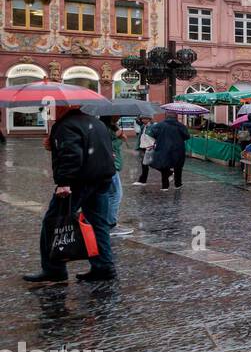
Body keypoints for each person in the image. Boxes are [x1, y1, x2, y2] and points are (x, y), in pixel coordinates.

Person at [24, 105, 117, 283]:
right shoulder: (96, 123)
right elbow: (99, 150)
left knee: (53, 222)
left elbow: (72, 155)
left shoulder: (66, 125)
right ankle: (103, 267)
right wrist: (55, 145)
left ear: (62, 107)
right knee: (99, 225)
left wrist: (64, 183)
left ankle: (54, 269)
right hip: (102, 180)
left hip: (78, 183)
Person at [99, 115, 133, 236]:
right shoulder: (105, 129)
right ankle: (110, 225)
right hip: (110, 166)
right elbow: (108, 146)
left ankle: (105, 223)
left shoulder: (111, 127)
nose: (119, 116)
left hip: (110, 165)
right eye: (117, 114)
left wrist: (119, 137)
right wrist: (119, 138)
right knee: (116, 195)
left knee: (109, 194)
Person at [147, 112, 190, 190]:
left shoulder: (159, 125)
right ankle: (178, 184)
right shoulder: (181, 125)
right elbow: (187, 136)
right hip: (178, 149)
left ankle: (165, 186)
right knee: (178, 167)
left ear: (166, 117)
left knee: (164, 166)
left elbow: (152, 134)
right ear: (176, 117)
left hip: (163, 148)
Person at [133, 115, 155, 186]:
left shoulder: (153, 127)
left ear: (149, 119)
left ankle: (168, 172)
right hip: (143, 147)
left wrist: (153, 145)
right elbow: (138, 122)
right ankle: (142, 181)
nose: (143, 120)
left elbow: (156, 137)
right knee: (144, 164)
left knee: (152, 164)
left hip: (149, 148)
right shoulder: (143, 126)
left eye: (144, 119)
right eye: (142, 119)